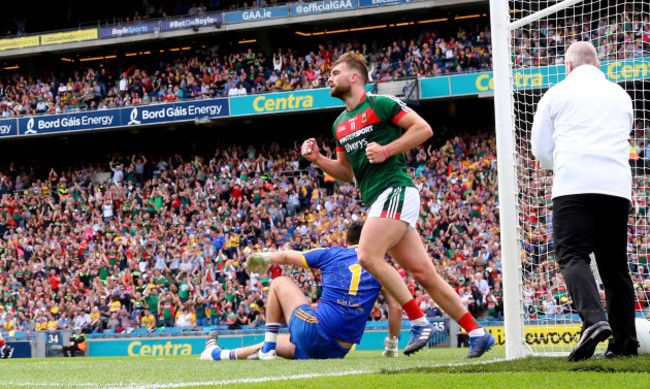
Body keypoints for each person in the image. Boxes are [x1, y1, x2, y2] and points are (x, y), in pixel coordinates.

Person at [300, 52, 494, 358]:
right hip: (378, 198)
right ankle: (478, 332)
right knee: (424, 274)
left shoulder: (380, 104)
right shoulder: (339, 123)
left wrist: (388, 149)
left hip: (395, 189)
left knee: (365, 255)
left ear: (354, 77)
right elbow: (347, 172)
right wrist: (319, 160)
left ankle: (419, 322)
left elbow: (423, 129)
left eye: (335, 72)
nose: (329, 77)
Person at [531, 41, 638, 361]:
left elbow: (540, 151)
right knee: (615, 267)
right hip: (617, 187)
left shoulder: (556, 93)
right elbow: (626, 134)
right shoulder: (621, 95)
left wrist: (556, 165)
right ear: (597, 64)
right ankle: (624, 344)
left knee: (572, 254)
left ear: (569, 65)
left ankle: (593, 320)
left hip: (574, 184)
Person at [199, 220, 401, 360]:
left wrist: (264, 256)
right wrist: (391, 348)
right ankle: (216, 354)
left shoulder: (332, 253)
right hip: (338, 350)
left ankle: (267, 350)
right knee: (278, 341)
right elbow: (396, 309)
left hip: (315, 332)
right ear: (368, 239)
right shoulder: (381, 266)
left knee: (279, 282)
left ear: (346, 241)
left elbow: (287, 257)